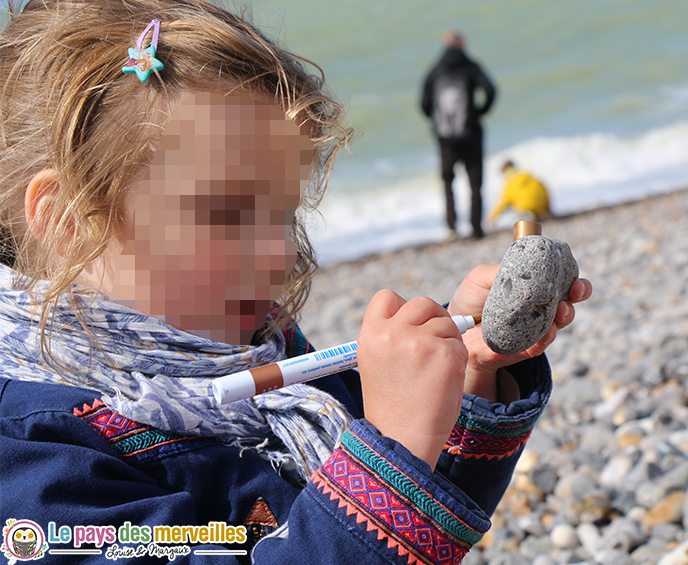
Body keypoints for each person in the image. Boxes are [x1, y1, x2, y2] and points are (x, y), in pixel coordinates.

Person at [0, 1, 592, 564]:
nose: (280, 254)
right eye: (225, 214)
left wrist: (469, 377)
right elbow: (373, 509)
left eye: (283, 215)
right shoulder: (37, 459)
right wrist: (387, 453)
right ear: (68, 220)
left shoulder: (272, 364)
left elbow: (426, 531)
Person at [421, 31, 496, 240]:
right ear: (462, 44)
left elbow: (424, 104)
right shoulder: (471, 67)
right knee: (475, 183)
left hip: (445, 139)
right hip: (471, 133)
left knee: (447, 180)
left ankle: (452, 228)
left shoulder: (435, 70)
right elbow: (490, 90)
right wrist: (479, 112)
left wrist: (437, 122)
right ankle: (476, 229)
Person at [488, 160, 551, 226]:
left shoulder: (510, 184)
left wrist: (491, 218)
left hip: (525, 208)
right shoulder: (529, 176)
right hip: (541, 208)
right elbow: (544, 190)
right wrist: (547, 208)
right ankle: (537, 214)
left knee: (516, 207)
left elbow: (502, 204)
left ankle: (526, 215)